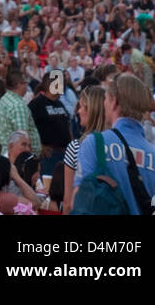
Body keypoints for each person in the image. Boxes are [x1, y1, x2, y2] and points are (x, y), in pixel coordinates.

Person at [73, 73, 155, 215]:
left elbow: (79, 201)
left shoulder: (94, 143)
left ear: (114, 102)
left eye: (106, 99)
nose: (104, 103)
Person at [62, 84, 106, 214]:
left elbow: (68, 202)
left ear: (91, 110)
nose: (78, 111)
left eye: (81, 106)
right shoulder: (117, 145)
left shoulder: (77, 146)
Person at [29, 73, 73, 178]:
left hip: (64, 154)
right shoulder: (36, 104)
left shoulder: (60, 104)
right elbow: (28, 129)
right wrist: (40, 146)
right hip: (48, 156)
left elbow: (67, 126)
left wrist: (72, 147)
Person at [0, 67, 42, 158]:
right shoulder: (18, 105)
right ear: (19, 84)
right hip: (19, 157)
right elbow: (22, 138)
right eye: (25, 83)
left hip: (9, 153)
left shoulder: (5, 99)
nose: (26, 86)